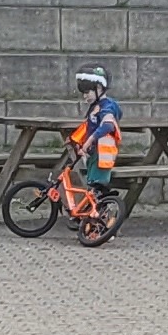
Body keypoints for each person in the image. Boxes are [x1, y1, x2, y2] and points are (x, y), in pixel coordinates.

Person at [61, 65, 124, 228]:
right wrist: (76, 140)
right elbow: (88, 127)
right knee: (93, 187)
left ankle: (103, 226)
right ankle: (92, 223)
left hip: (102, 154)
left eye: (87, 92)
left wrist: (89, 141)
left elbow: (107, 125)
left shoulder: (107, 106)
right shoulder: (96, 106)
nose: (85, 96)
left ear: (99, 88)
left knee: (97, 189)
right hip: (94, 154)